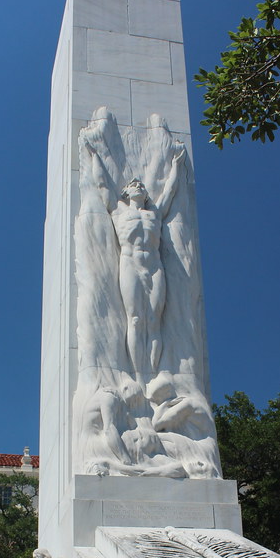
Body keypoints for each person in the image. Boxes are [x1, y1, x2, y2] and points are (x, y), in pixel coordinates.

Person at [83, 133, 185, 381]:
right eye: (132, 184)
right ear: (126, 193)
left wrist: (176, 166)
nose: (138, 184)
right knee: (136, 319)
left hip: (154, 266)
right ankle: (139, 377)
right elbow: (104, 185)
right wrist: (94, 155)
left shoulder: (155, 214)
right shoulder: (119, 212)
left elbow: (170, 192)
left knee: (153, 320)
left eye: (140, 184)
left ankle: (152, 376)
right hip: (130, 264)